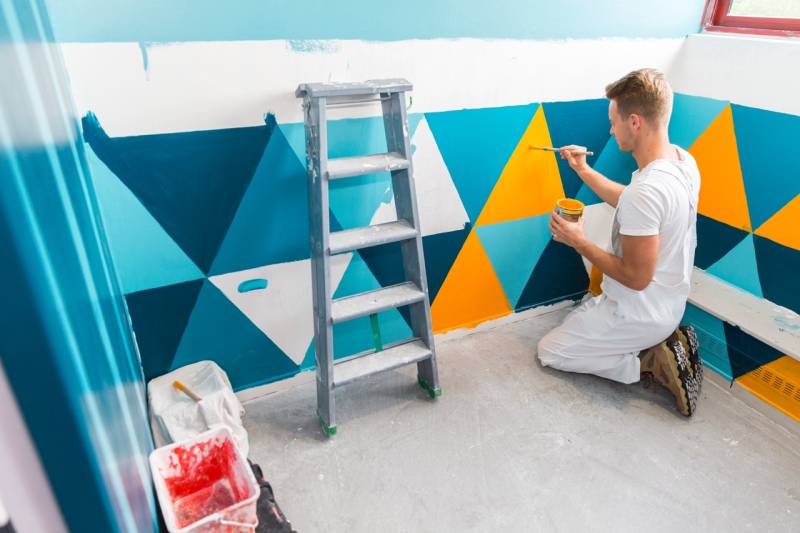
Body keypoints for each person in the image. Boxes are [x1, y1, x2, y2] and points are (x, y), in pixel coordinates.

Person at [537, 68, 702, 416]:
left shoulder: (647, 190)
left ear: (635, 122)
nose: (611, 131)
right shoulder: (682, 162)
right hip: (670, 300)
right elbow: (635, 203)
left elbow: (636, 277)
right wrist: (583, 170)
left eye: (614, 122)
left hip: (640, 311)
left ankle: (648, 360)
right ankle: (654, 341)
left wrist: (578, 242)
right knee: (581, 319)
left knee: (551, 351)